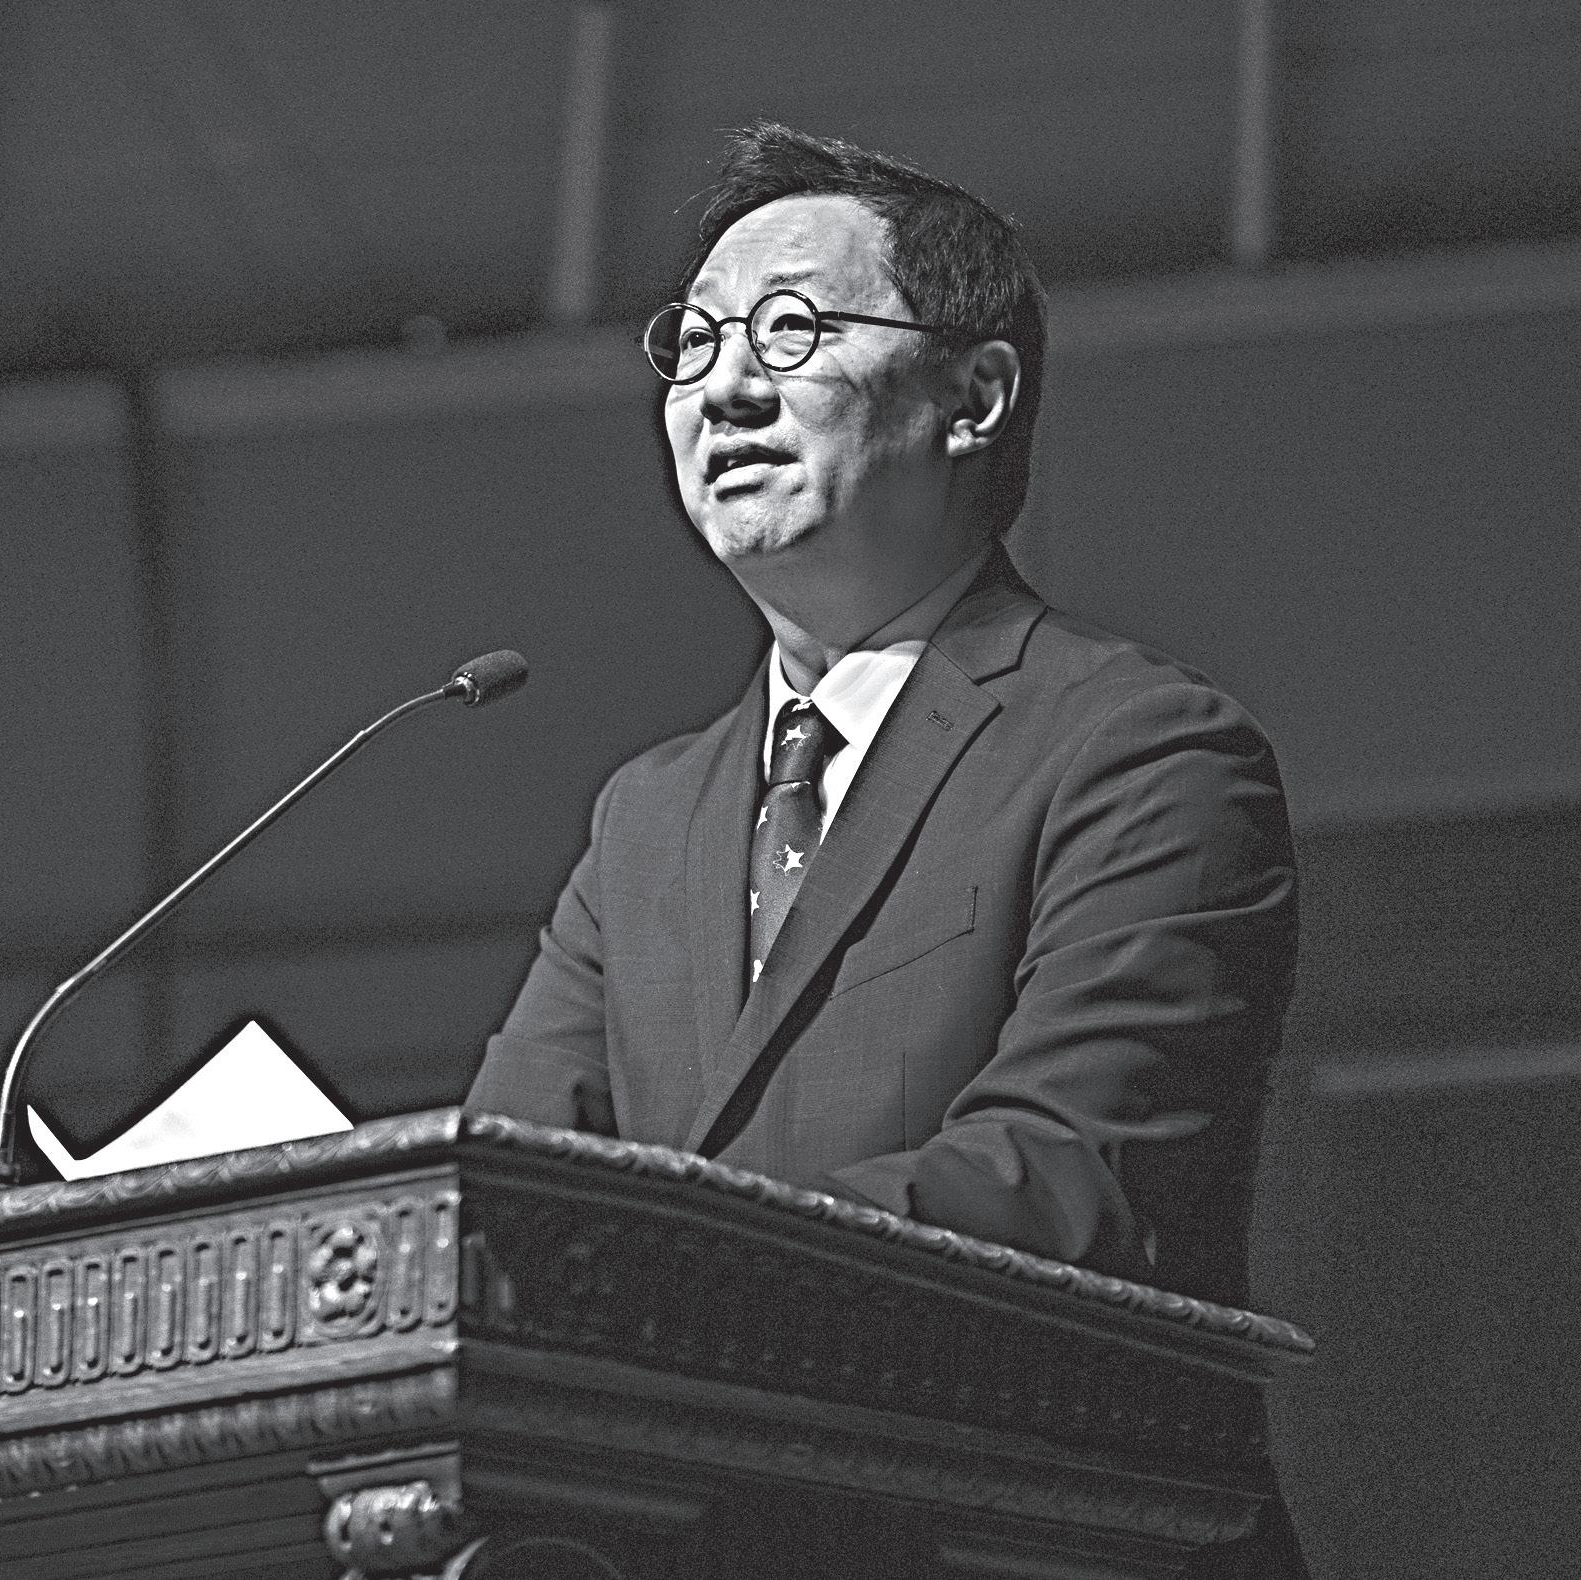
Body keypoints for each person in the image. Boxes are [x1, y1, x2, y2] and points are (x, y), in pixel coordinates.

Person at [467, 124, 1298, 1308]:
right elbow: (505, 1194)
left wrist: (659, 1269)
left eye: (791, 328)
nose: (725, 389)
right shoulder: (646, 819)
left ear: (974, 397)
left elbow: (1065, 1180)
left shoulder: (1141, 753)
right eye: (696, 340)